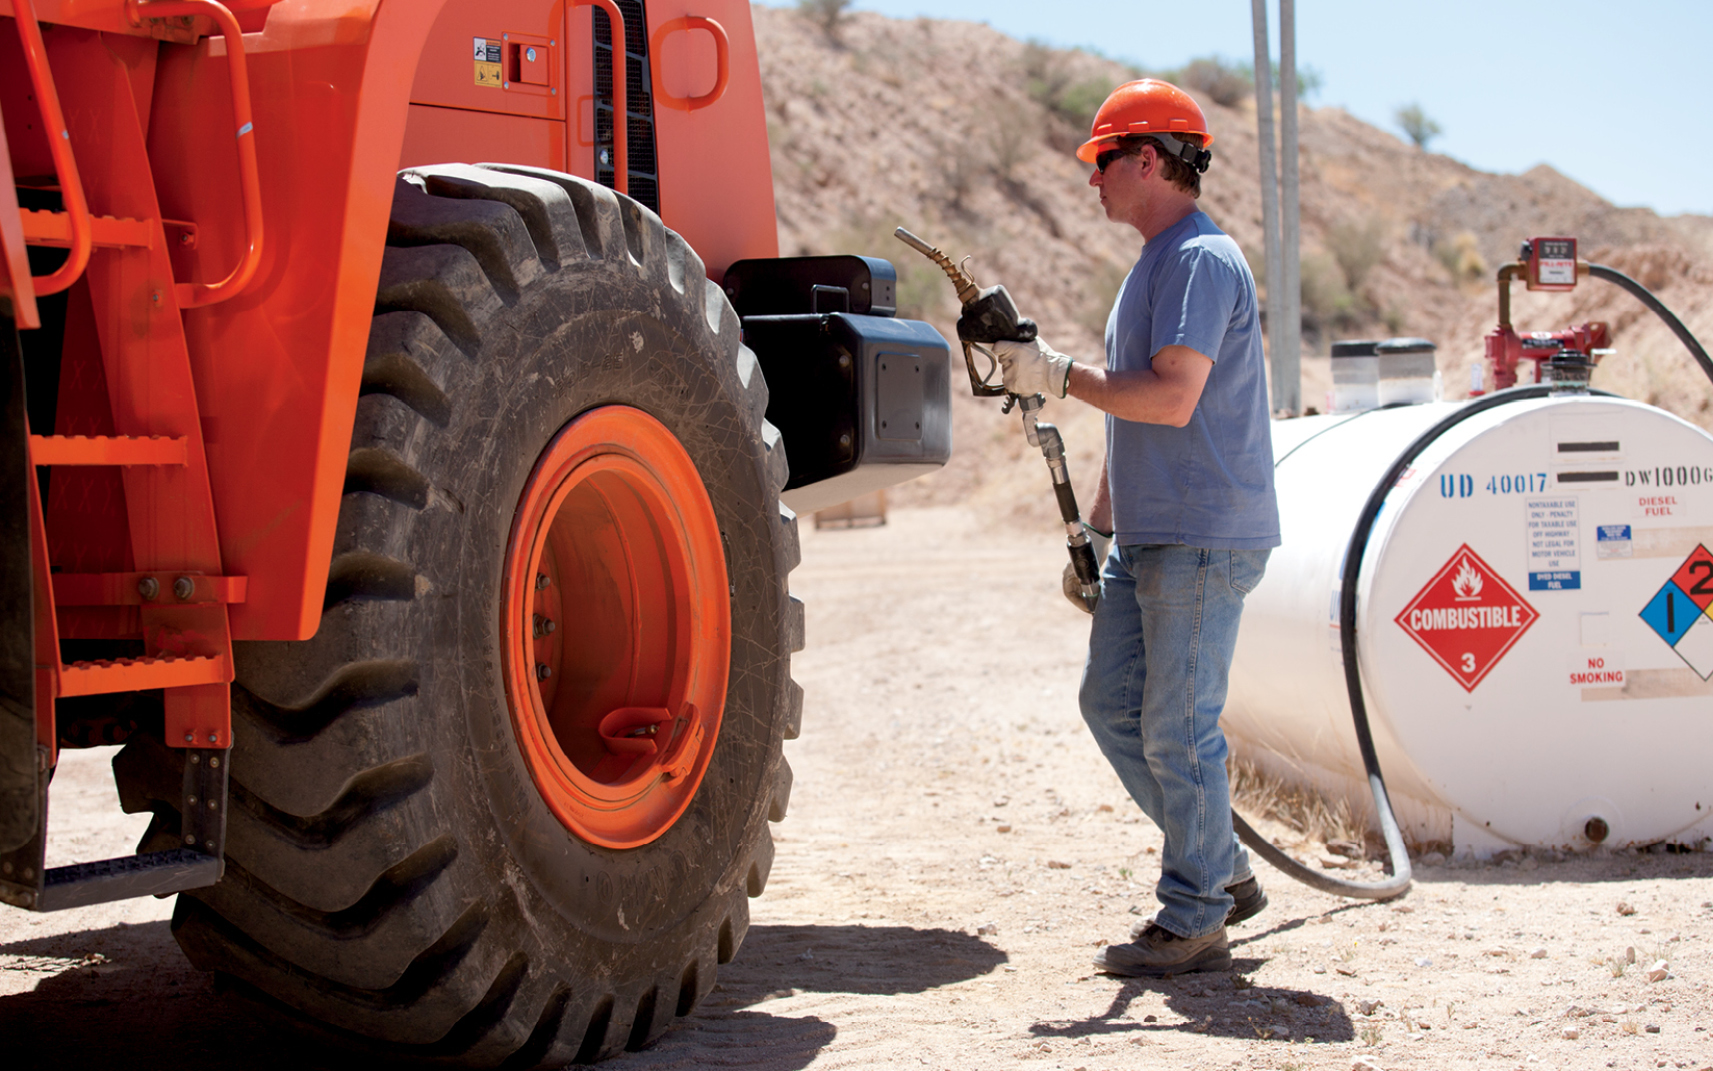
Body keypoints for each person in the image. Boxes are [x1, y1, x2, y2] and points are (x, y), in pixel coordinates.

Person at [992, 79, 1281, 977]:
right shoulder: (1152, 265)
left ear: (1147, 160)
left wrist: (1056, 372)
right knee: (1111, 707)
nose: (1093, 180)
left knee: (1175, 725)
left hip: (1201, 535)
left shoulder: (1199, 260)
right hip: (1151, 536)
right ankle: (1221, 868)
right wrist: (1100, 533)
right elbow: (1132, 420)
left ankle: (1194, 913)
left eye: (1102, 161)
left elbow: (1171, 396)